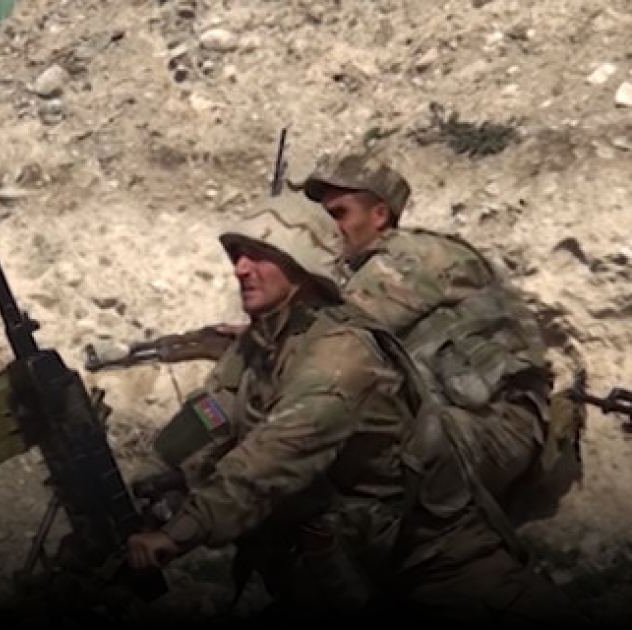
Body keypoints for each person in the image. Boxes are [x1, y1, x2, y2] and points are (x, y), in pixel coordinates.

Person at [124, 191, 583, 624]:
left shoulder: (342, 351)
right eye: (237, 255)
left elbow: (277, 454)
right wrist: (157, 470)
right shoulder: (262, 345)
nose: (241, 268)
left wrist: (179, 533)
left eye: (259, 255)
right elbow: (213, 412)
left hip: (429, 562)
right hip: (348, 568)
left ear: (301, 264)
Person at [297, 152, 583, 519]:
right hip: (450, 425)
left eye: (339, 214)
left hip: (496, 427)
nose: (328, 228)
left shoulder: (415, 257)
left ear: (380, 215)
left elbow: (335, 334)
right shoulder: (355, 273)